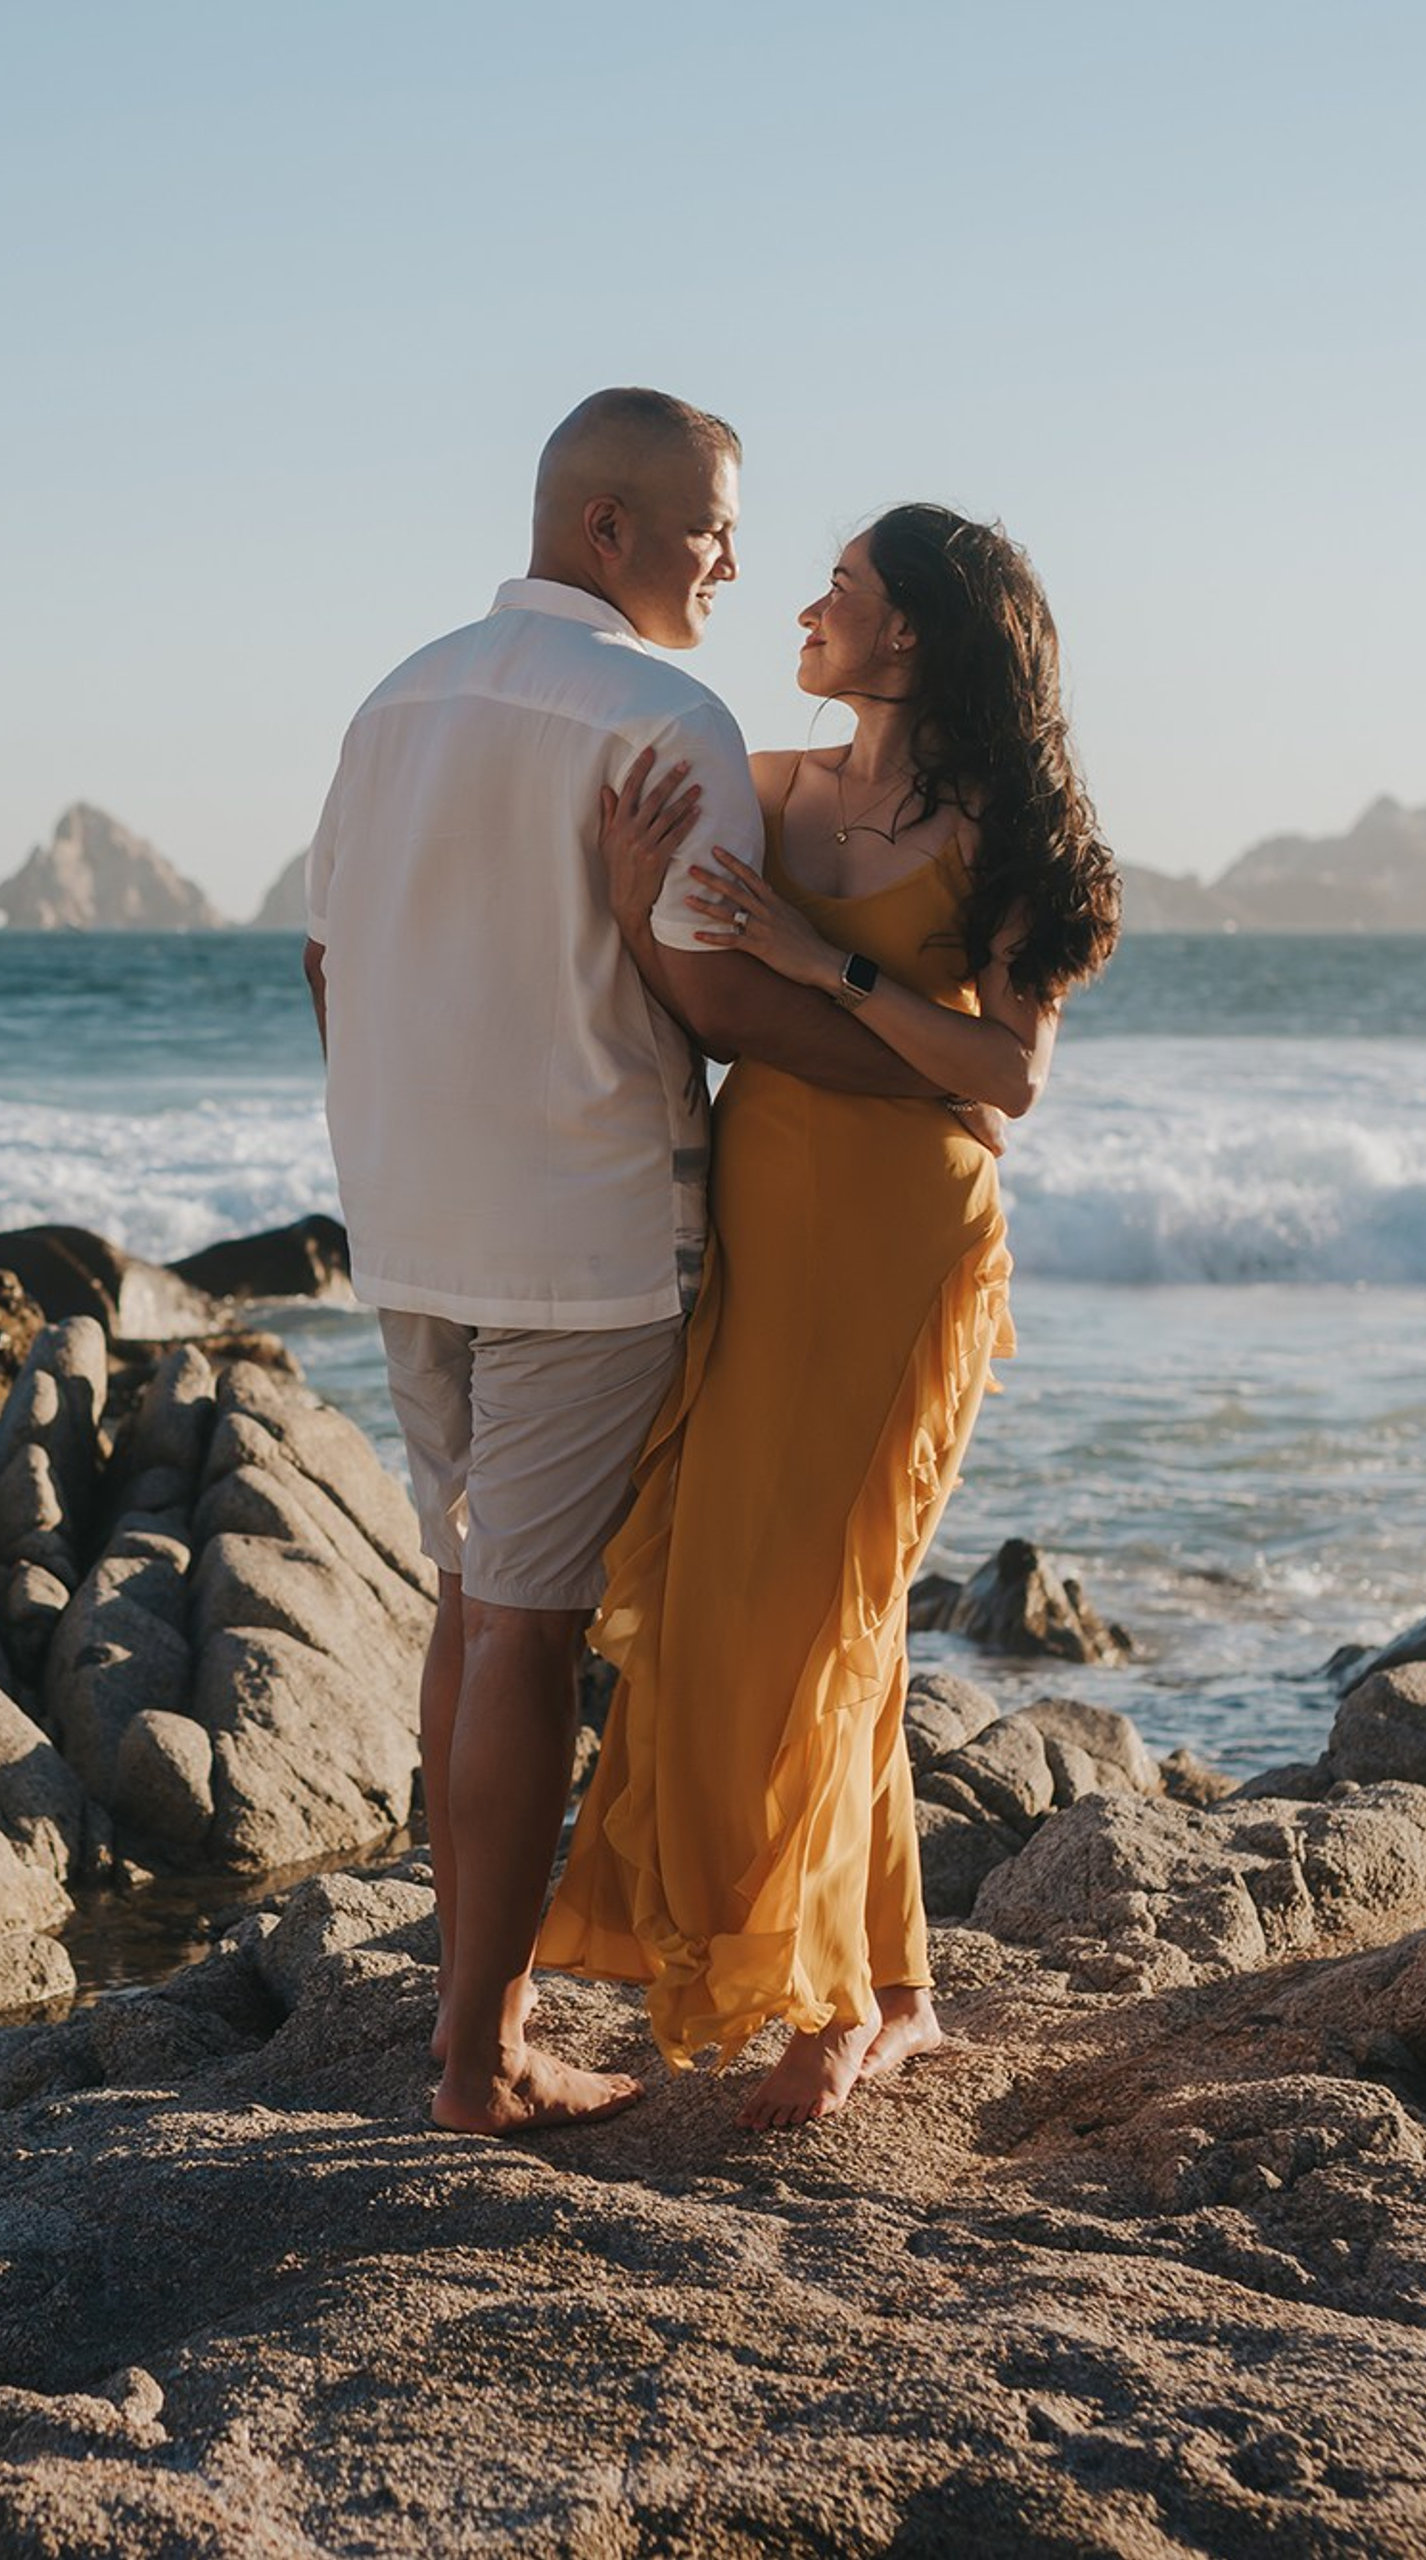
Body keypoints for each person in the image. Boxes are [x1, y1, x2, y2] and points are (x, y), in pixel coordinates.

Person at [303, 393, 966, 2136]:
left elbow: (324, 968)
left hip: (413, 1224)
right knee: (520, 1626)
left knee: (474, 1604)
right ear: (608, 530)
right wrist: (934, 1074)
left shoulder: (392, 703)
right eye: (707, 530)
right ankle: (477, 2063)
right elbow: (723, 995)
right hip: (584, 1243)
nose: (734, 561)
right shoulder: (662, 717)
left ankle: (480, 2031)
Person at [537, 503, 1120, 2129]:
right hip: (757, 1230)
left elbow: (1007, 1080)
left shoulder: (1009, 832)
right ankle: (894, 1990)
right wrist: (621, 876)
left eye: (842, 590)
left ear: (914, 633)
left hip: (902, 1249)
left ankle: (837, 2004)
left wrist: (828, 964)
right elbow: (701, 988)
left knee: (835, 1603)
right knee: (751, 1599)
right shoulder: (777, 792)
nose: (805, 606)